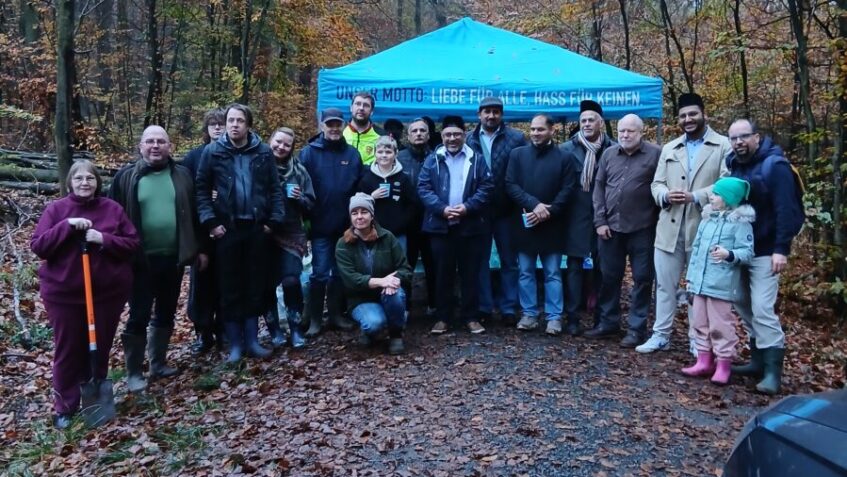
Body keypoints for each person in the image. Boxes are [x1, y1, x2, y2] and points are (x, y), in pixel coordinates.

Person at [31, 160, 139, 428]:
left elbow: (132, 243)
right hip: (64, 295)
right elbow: (39, 246)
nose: (84, 183)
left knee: (98, 347)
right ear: (70, 183)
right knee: (68, 349)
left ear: (97, 183)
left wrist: (102, 239)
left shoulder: (112, 209)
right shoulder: (57, 210)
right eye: (78, 179)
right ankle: (64, 406)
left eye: (90, 178)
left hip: (106, 294)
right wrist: (66, 226)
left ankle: (95, 401)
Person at [637, 93, 731, 354]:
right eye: (683, 116)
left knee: (698, 290)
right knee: (665, 286)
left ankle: (697, 340)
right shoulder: (670, 148)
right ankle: (661, 334)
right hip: (669, 227)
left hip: (704, 228)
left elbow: (727, 183)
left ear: (704, 114)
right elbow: (656, 183)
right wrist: (664, 195)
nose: (688, 120)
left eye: (693, 114)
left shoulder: (722, 145)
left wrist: (697, 196)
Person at [111, 125, 202, 390]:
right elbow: (111, 215)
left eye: (161, 141)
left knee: (165, 312)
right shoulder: (126, 177)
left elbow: (196, 216)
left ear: (170, 146)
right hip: (139, 261)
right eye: (149, 141)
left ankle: (158, 363)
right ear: (140, 146)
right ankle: (134, 372)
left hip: (173, 258)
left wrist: (199, 249)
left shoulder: (183, 175)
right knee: (139, 313)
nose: (155, 146)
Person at [196, 103, 285, 363]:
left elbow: (274, 189)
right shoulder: (213, 152)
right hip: (227, 230)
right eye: (230, 120)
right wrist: (211, 222)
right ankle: (235, 345)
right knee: (229, 286)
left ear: (249, 125)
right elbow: (201, 189)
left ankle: (253, 341)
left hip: (257, 228)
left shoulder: (264, 153)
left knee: (255, 285)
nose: (234, 125)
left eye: (240, 121)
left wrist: (273, 221)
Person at [725, 119, 804, 395]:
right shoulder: (733, 163)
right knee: (740, 300)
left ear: (756, 137)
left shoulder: (776, 166)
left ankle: (773, 372)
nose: (738, 142)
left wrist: (781, 249)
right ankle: (757, 360)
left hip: (767, 250)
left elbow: (787, 210)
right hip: (740, 249)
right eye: (733, 138)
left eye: (744, 137)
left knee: (761, 306)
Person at [587, 114, 661, 347]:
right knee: (609, 276)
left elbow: (661, 186)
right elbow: (598, 188)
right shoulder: (609, 154)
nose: (625, 135)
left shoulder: (656, 154)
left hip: (643, 228)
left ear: (641, 132)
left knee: (642, 279)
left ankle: (636, 329)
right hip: (610, 229)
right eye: (622, 131)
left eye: (630, 131)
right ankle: (608, 323)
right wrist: (600, 221)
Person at [418, 115, 493, 335]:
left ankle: (471, 317)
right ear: (441, 136)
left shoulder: (477, 159)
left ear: (464, 135)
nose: (452, 138)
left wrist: (468, 207)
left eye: (457, 134)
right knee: (443, 273)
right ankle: (443, 318)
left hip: (469, 225)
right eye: (448, 134)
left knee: (471, 273)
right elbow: (423, 188)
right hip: (441, 226)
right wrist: (441, 209)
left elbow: (487, 187)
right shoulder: (432, 159)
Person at [505, 114, 577, 335]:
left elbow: (568, 189)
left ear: (552, 130)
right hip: (526, 223)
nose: (535, 133)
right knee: (525, 272)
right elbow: (510, 184)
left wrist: (549, 211)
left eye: (540, 129)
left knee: (553, 273)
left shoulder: (565, 158)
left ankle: (554, 317)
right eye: (533, 129)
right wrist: (535, 205)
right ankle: (529, 314)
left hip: (552, 225)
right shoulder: (517, 155)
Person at [682, 177, 754, 384]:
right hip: (700, 282)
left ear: (729, 199)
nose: (711, 197)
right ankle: (704, 360)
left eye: (716, 194)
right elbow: (696, 251)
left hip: (721, 284)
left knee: (720, 325)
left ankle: (723, 364)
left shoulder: (740, 224)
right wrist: (690, 279)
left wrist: (729, 254)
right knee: (699, 321)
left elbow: (747, 252)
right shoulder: (707, 220)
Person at [300, 107, 364, 336]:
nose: (334, 128)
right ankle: (316, 319)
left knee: (339, 273)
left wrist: (357, 223)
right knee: (319, 273)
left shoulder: (352, 154)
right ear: (322, 126)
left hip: (345, 226)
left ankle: (336, 315)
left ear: (343, 125)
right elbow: (302, 189)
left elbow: (359, 189)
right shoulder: (308, 153)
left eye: (338, 124)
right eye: (330, 124)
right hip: (319, 227)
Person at [466, 96, 528, 325]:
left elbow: (524, 170)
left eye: (495, 111)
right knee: (480, 261)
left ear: (501, 114)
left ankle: (509, 307)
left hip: (507, 209)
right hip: (478, 210)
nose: (491, 116)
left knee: (509, 261)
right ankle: (484, 306)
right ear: (479, 114)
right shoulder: (468, 139)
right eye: (487, 111)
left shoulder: (516, 138)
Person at [560, 100, 616, 336]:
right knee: (573, 267)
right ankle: (572, 318)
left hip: (606, 217)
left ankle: (601, 319)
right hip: (576, 216)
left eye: (591, 120)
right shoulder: (566, 149)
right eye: (583, 120)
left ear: (601, 123)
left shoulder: (613, 149)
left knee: (604, 268)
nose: (586, 124)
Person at [336, 193, 413, 354]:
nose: (359, 217)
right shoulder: (343, 244)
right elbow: (351, 279)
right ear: (350, 217)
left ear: (372, 215)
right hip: (360, 299)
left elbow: (405, 269)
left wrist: (393, 281)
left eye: (364, 212)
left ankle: (396, 335)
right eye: (354, 213)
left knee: (395, 295)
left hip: (388, 292)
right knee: (374, 323)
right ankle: (371, 330)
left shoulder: (388, 237)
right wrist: (381, 281)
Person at [181, 108, 225, 354]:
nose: (217, 128)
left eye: (221, 124)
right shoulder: (194, 157)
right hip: (201, 233)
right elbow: (188, 195)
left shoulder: (233, 155)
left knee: (226, 284)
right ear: (206, 129)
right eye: (213, 125)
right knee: (201, 286)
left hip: (229, 230)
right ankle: (202, 332)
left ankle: (224, 332)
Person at [267, 127, 315, 348]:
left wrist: (299, 198)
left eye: (286, 144)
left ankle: (295, 329)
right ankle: (274, 330)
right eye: (278, 142)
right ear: (270, 141)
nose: (281, 147)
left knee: (291, 279)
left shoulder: (299, 171)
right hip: (264, 232)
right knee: (265, 283)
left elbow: (311, 204)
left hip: (291, 232)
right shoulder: (258, 166)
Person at [397, 118, 436, 314]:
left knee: (433, 264)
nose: (419, 133)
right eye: (415, 131)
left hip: (432, 220)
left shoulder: (437, 156)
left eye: (423, 130)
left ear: (428, 135)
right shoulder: (399, 157)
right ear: (408, 135)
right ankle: (405, 305)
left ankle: (434, 304)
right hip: (407, 222)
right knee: (406, 265)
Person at [357, 136, 417, 250]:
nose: (384, 155)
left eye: (388, 152)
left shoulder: (403, 178)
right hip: (372, 233)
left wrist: (403, 224)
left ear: (396, 154)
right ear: (375, 153)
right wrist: (371, 197)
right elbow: (358, 204)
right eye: (380, 152)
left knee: (399, 266)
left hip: (398, 234)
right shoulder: (367, 178)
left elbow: (412, 204)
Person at [343, 91, 385, 165]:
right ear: (351, 108)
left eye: (366, 105)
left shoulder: (382, 136)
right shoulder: (340, 133)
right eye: (358, 104)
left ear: (371, 111)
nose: (361, 108)